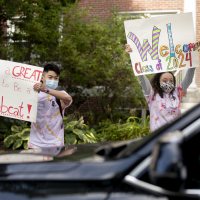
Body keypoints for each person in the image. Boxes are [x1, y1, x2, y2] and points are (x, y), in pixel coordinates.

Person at [125, 44, 195, 131]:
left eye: (171, 80)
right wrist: (132, 55)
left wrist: (193, 56)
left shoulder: (177, 92)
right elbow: (141, 77)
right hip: (158, 136)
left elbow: (189, 78)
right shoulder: (151, 94)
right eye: (165, 80)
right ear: (158, 82)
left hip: (175, 134)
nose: (168, 83)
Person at [28, 63, 72, 148]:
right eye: (50, 77)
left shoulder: (60, 95)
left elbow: (68, 99)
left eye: (56, 78)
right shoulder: (33, 94)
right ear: (42, 77)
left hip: (55, 145)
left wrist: (45, 89)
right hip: (35, 145)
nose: (53, 80)